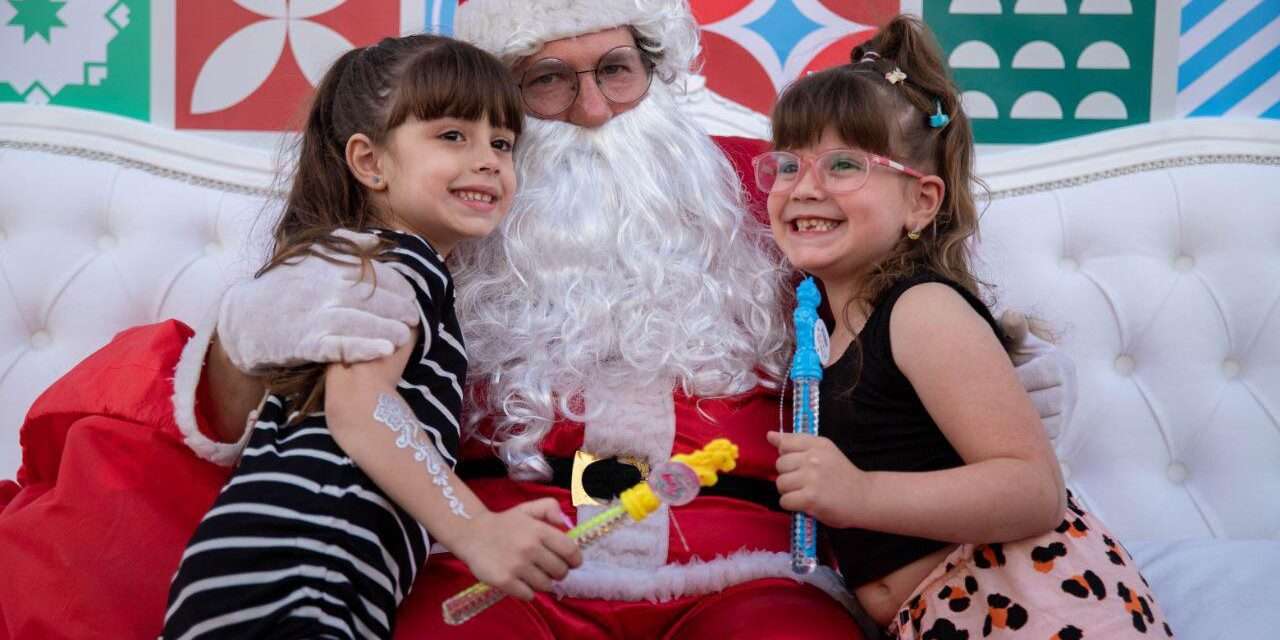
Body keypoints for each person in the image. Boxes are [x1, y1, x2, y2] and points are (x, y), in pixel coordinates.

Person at [0, 2, 1075, 638]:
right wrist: (246, 339)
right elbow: (253, 405)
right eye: (547, 86)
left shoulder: (764, 192)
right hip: (502, 560)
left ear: (656, 70)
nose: (595, 108)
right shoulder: (440, 216)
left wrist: (975, 367)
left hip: (744, 558)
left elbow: (894, 297)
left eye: (614, 68)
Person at [759, 16, 1172, 639]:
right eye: (787, 165)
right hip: (939, 616)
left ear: (922, 201)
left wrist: (859, 493)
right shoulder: (821, 328)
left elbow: (1033, 490)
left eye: (843, 164)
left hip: (1031, 602)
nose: (803, 187)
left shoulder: (922, 311)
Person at [160, 34, 582, 639]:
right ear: (370, 162)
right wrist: (475, 528)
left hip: (281, 575)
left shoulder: (387, 268)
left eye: (503, 143)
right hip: (298, 575)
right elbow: (360, 410)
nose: (489, 158)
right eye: (452, 135)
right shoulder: (390, 265)